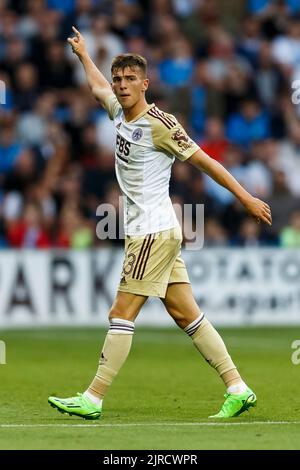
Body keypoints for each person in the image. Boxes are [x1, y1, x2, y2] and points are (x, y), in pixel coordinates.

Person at [48, 27, 272, 420]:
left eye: (130, 79)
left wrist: (246, 197)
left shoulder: (161, 125)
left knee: (121, 313)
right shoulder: (118, 110)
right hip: (155, 230)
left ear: (145, 83)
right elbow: (98, 88)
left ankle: (93, 397)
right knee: (188, 315)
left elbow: (208, 163)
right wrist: (84, 55)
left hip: (152, 231)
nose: (120, 85)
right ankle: (238, 387)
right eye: (119, 79)